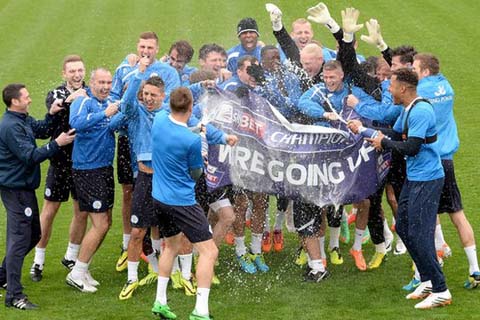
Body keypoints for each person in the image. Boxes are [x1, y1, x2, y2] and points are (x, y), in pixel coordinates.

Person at [349, 68, 451, 309]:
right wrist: (363, 129)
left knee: (418, 233)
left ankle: (441, 289)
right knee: (403, 227)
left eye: (392, 86)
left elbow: (411, 147)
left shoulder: (422, 111)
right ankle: (426, 279)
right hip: (416, 178)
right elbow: (394, 133)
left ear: (403, 89)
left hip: (427, 179)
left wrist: (383, 143)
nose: (389, 90)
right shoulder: (408, 109)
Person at [0, 83, 75, 309]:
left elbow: (40, 129)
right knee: (20, 238)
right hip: (16, 190)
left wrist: (51, 114)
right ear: (15, 101)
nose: (30, 99)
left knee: (33, 234)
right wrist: (57, 144)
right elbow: (30, 156)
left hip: (24, 188)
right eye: (26, 96)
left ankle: (3, 275)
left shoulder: (22, 119)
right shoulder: (11, 127)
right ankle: (14, 296)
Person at [151, 87, 223, 320]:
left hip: (159, 198)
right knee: (208, 251)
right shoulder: (191, 141)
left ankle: (160, 302)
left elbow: (176, 128)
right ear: (191, 108)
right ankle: (200, 311)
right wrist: (201, 159)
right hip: (182, 202)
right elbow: (195, 174)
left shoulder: (160, 120)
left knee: (170, 247)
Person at [412, 53, 480, 289]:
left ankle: (428, 271)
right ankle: (475, 268)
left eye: (415, 68)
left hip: (430, 161)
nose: (412, 72)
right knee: (457, 213)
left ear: (426, 72)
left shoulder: (421, 92)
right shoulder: (446, 85)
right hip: (448, 160)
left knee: (425, 217)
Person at [29, 55, 88, 281]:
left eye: (80, 70)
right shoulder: (56, 94)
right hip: (60, 162)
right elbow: (57, 105)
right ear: (64, 74)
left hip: (83, 163)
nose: (76, 75)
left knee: (81, 211)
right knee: (49, 211)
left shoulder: (90, 92)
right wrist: (74, 98)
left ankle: (71, 256)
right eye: (72, 71)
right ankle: (38, 261)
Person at [66, 68, 120, 293]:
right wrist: (105, 114)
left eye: (108, 82)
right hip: (88, 171)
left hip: (104, 169)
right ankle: (76, 273)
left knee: (106, 222)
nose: (105, 86)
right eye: (101, 82)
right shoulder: (84, 101)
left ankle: (83, 266)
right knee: (101, 224)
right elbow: (76, 123)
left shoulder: (107, 102)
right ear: (91, 82)